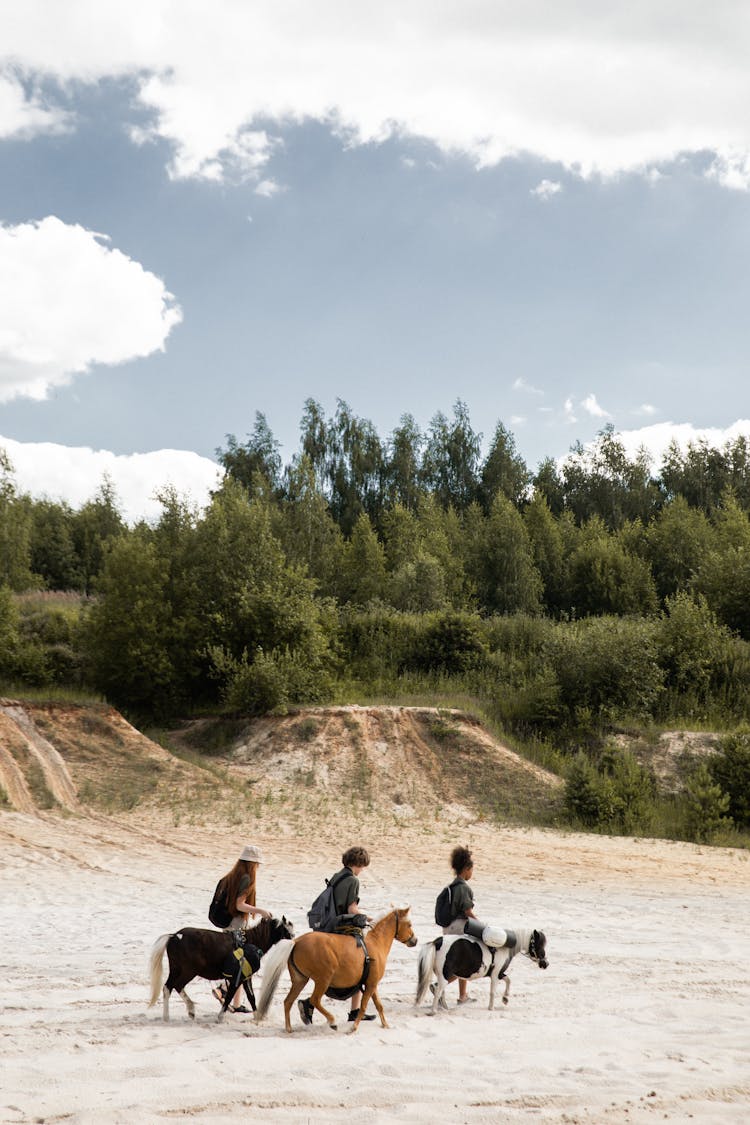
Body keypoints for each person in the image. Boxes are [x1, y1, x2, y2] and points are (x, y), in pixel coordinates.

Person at [298, 845, 376, 1025]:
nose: (362, 870)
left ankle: (313, 1005)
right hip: (340, 927)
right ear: (359, 864)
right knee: (363, 961)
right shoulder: (353, 881)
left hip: (327, 925)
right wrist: (370, 918)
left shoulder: (337, 876)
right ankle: (355, 1011)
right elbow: (351, 909)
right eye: (363, 866)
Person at [212, 844, 272, 1012]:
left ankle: (236, 1004)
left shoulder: (230, 876)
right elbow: (239, 905)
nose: (258, 867)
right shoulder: (246, 878)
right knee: (241, 963)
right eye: (257, 864)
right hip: (236, 925)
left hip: (227, 923)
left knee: (239, 962)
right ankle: (222, 989)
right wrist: (260, 911)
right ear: (252, 864)